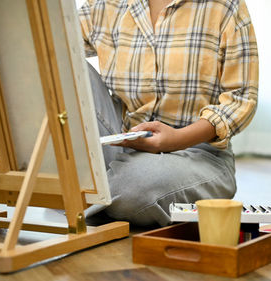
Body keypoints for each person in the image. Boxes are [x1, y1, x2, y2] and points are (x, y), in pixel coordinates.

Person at [79, 0, 258, 226]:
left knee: (134, 186)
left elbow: (241, 100)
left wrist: (177, 139)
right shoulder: (105, 4)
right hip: (121, 141)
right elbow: (52, 42)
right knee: (64, 62)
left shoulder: (225, 6)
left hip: (197, 155)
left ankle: (88, 194)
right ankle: (100, 194)